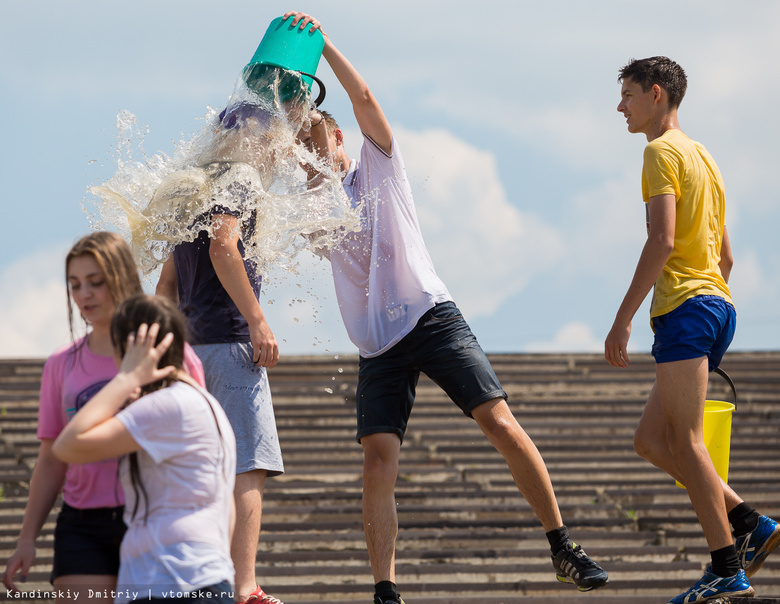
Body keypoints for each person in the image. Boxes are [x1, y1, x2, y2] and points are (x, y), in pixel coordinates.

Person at [287, 11, 609, 604]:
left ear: (340, 140)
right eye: (300, 150)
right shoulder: (315, 212)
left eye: (317, 141)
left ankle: (562, 544)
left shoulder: (380, 168)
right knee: (377, 463)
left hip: (431, 316)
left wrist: (320, 43)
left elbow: (362, 95)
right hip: (379, 345)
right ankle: (385, 589)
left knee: (498, 422)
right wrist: (284, 127)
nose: (310, 155)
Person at [607, 56, 779, 603]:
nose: (621, 107)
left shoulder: (659, 151)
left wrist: (623, 318)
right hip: (715, 304)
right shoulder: (705, 156)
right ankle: (751, 522)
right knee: (651, 441)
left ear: (656, 95)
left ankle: (727, 567)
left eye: (629, 95)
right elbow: (725, 255)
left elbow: (661, 240)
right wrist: (706, 299)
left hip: (686, 308)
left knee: (684, 440)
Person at [1, 232, 205, 602]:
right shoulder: (61, 364)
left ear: (123, 278)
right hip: (82, 525)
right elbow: (51, 457)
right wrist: (27, 539)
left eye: (95, 283)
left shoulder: (173, 355)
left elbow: (199, 447)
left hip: (154, 519)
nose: (84, 295)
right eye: (75, 285)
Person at [156, 150, 284, 604]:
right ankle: (243, 588)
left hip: (191, 351)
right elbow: (223, 246)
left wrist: (170, 351)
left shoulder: (196, 190)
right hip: (230, 346)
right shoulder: (243, 178)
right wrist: (256, 319)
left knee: (198, 469)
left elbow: (165, 286)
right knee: (247, 465)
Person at [52, 294, 236, 603]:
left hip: (170, 579)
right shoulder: (202, 403)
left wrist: (127, 378)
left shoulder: (166, 407)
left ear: (130, 348)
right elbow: (227, 507)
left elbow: (68, 445)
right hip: (200, 577)